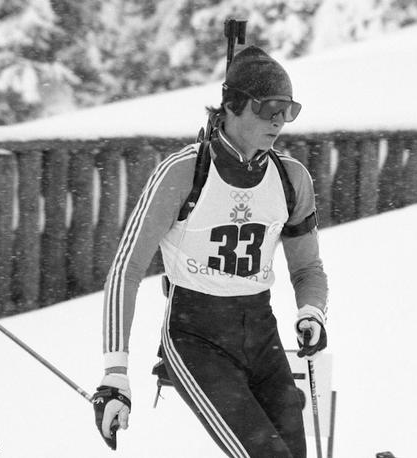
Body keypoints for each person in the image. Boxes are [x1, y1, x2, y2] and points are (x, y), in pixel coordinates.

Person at [91, 45, 329, 458]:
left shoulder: (291, 178)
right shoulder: (185, 172)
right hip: (196, 338)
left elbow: (307, 267)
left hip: (261, 333)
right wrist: (115, 373)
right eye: (268, 107)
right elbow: (125, 271)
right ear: (233, 105)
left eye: (288, 110)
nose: (278, 120)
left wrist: (312, 312)